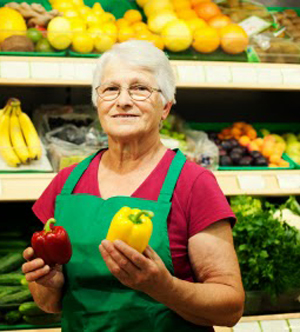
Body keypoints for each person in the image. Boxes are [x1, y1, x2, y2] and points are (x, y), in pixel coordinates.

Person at [22, 40, 245, 331]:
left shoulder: (193, 184)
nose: (123, 100)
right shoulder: (66, 183)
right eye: (111, 89)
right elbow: (50, 304)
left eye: (140, 88)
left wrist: (165, 288)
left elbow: (230, 308)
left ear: (165, 107)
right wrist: (48, 284)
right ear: (98, 104)